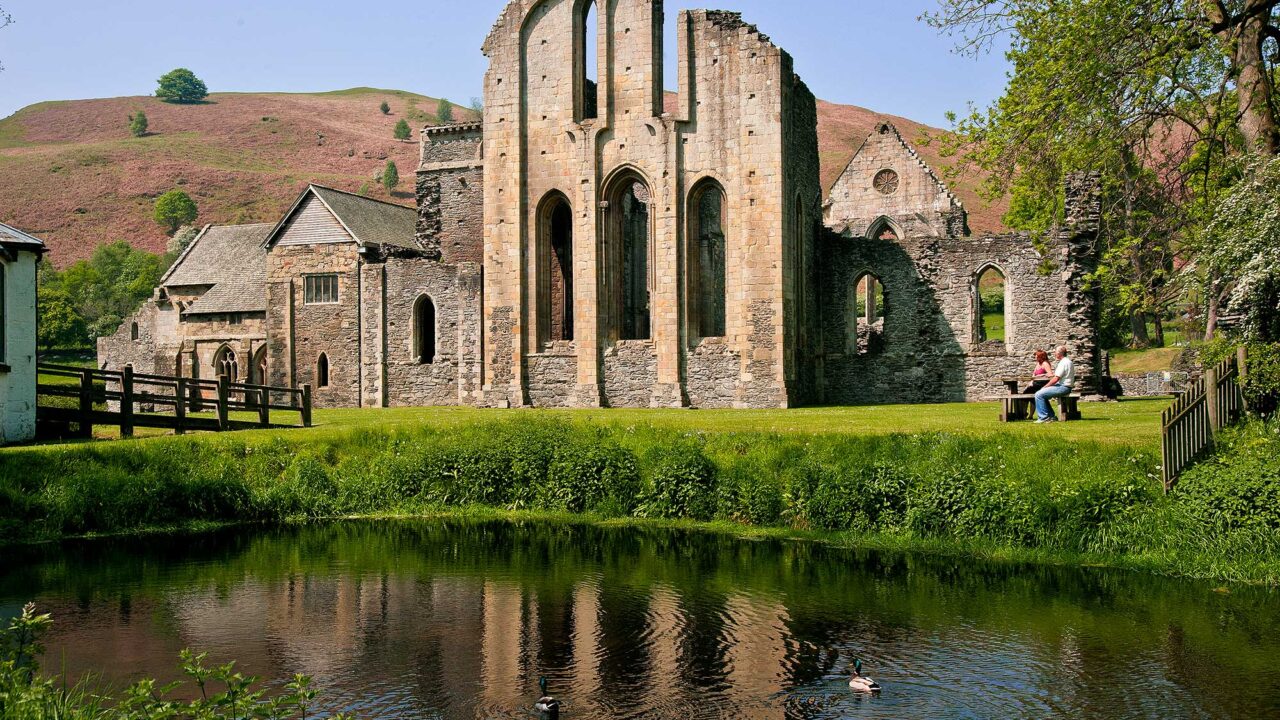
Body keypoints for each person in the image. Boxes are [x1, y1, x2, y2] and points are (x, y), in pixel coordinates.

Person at [1034, 346, 1075, 423]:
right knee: (1042, 394)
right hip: (1065, 386)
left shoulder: (1063, 363)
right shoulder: (1068, 361)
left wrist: (1045, 386)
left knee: (1038, 394)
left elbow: (1056, 378)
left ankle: (1043, 417)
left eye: (1055, 352)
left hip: (1063, 387)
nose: (1054, 353)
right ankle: (1051, 416)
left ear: (1059, 353)